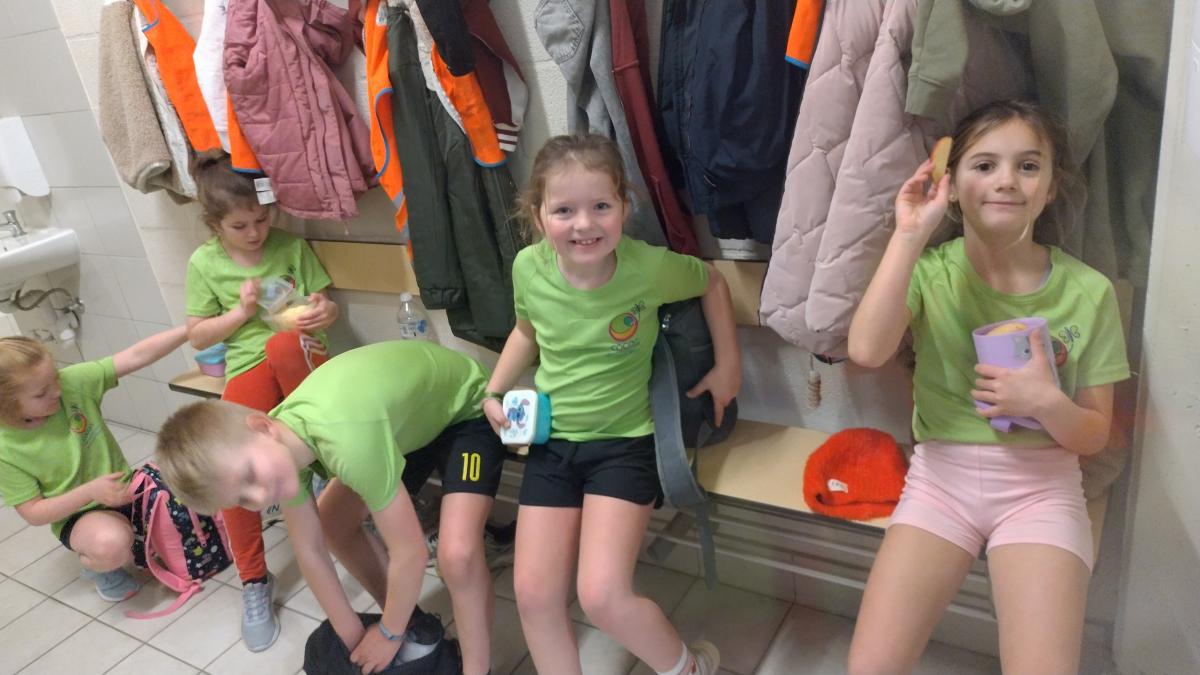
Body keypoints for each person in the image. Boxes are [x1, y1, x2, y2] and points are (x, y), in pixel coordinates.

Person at [845, 100, 1130, 674]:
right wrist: (909, 234)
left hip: (1041, 492)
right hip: (938, 485)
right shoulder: (930, 271)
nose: (1006, 181)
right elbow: (867, 350)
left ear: (1051, 187)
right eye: (984, 165)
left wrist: (1045, 402)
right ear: (951, 186)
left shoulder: (1089, 290)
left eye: (1028, 166)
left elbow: (1095, 435)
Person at [480, 134, 740, 675]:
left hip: (625, 446)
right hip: (554, 445)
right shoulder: (528, 267)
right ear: (538, 215)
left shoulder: (648, 268)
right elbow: (527, 330)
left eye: (600, 205)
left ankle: (688, 668)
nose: (584, 224)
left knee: (602, 596)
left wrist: (728, 367)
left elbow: (713, 283)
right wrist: (494, 390)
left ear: (624, 205)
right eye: (564, 210)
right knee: (533, 595)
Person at [155, 340, 510, 675]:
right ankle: (413, 625)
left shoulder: (346, 439)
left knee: (457, 556)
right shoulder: (278, 450)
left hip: (467, 410)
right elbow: (310, 551)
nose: (260, 497)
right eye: (243, 500)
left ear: (263, 427)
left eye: (250, 475)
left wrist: (388, 633)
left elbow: (412, 553)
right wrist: (355, 641)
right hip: (409, 424)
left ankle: (476, 668)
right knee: (332, 524)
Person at [185, 151, 340, 651]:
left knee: (284, 344)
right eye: (240, 226)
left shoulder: (290, 246)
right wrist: (240, 312)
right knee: (227, 462)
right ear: (215, 225)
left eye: (261, 219)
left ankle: (322, 468)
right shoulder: (204, 263)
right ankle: (253, 579)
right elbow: (197, 335)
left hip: (302, 359)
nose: (255, 233)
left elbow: (327, 306)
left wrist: (323, 313)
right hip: (248, 366)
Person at [0, 327, 187, 601]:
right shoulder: (5, 447)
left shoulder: (71, 383)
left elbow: (136, 355)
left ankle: (139, 538)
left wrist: (189, 329)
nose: (57, 391)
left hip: (125, 489)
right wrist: (90, 492)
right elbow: (34, 513)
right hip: (77, 514)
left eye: (55, 377)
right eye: (41, 393)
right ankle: (101, 568)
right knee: (110, 545)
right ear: (7, 405)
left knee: (193, 493)